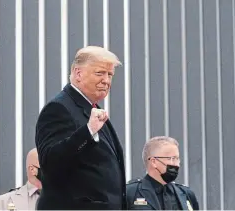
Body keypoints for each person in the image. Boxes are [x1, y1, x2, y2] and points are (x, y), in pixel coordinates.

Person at [35, 46, 126, 210]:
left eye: (110, 74)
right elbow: (50, 163)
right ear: (78, 74)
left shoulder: (91, 109)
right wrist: (88, 132)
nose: (106, 80)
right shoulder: (59, 108)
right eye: (100, 73)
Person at [126, 136, 199, 210]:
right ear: (154, 161)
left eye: (177, 159)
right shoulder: (130, 193)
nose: (176, 164)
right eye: (171, 158)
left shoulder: (186, 194)